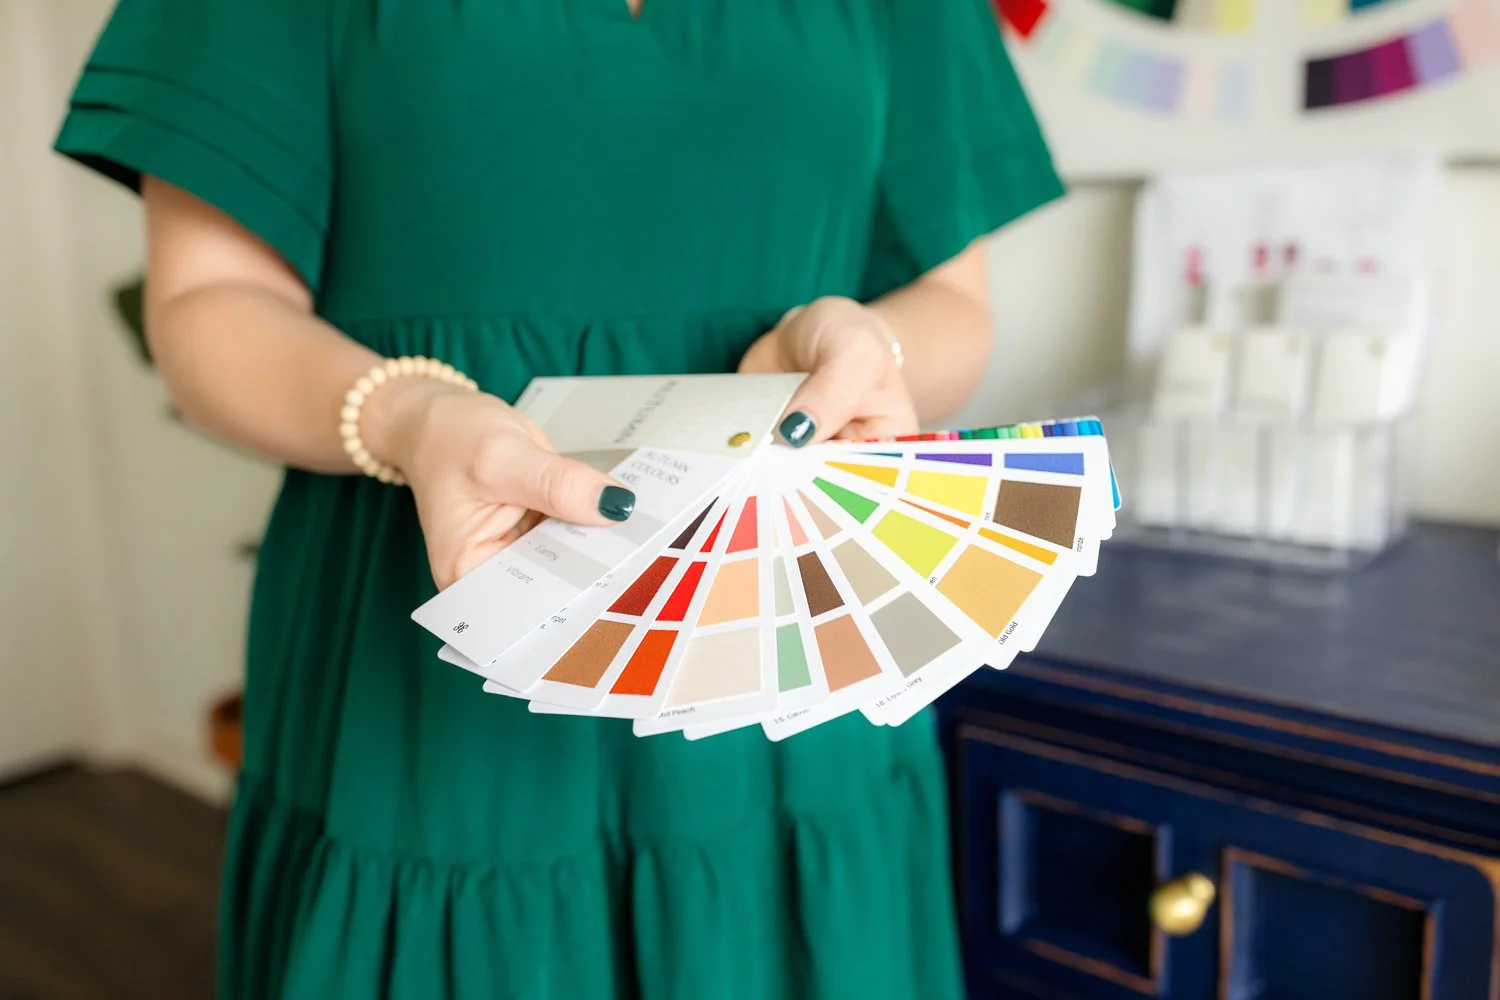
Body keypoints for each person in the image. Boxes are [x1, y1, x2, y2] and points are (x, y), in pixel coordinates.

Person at [55, 0, 1063, 996]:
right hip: (432, 639)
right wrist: (408, 416)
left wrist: (865, 348)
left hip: (787, 653)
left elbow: (951, 302)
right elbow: (207, 307)